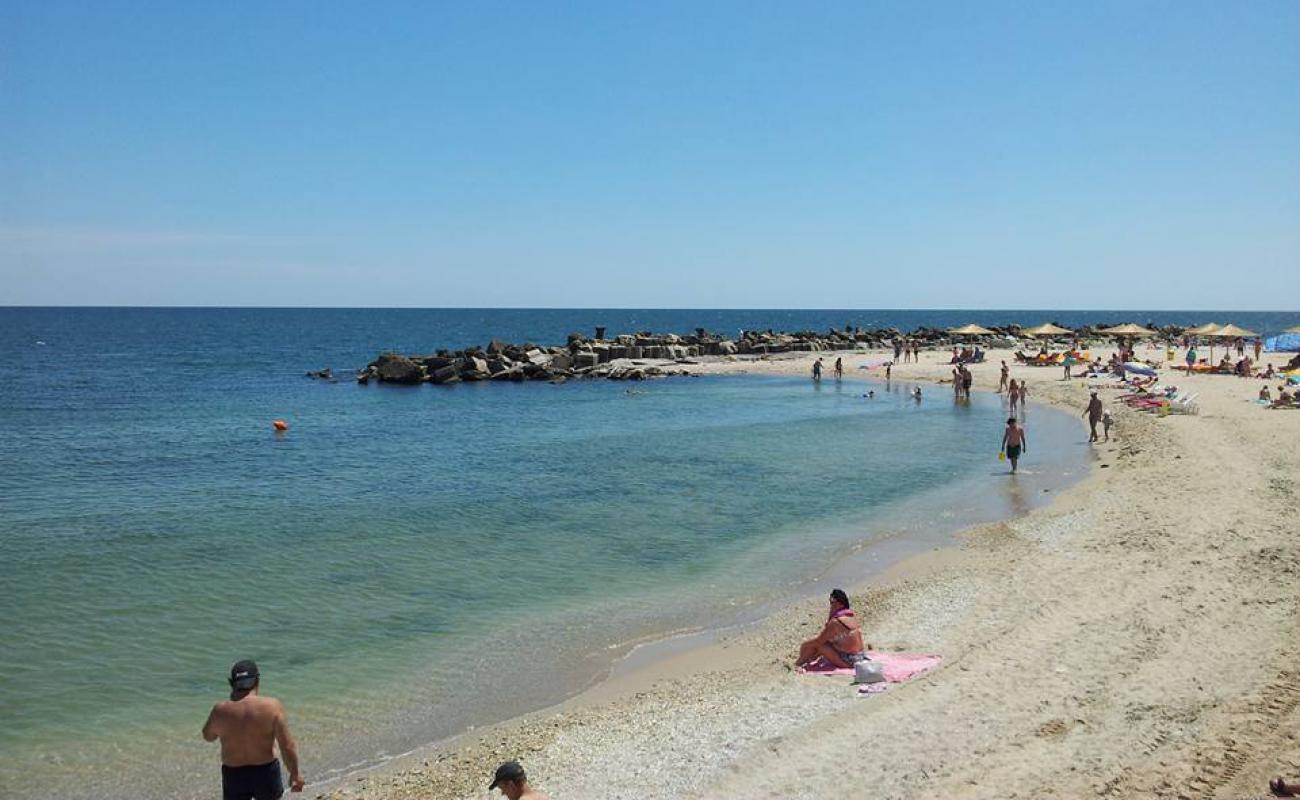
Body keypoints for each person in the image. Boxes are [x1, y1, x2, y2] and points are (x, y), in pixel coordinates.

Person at [203, 660, 304, 800]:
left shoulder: (220, 710)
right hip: (265, 771)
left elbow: (208, 736)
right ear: (257, 681)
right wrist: (295, 773)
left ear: (232, 684)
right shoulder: (272, 706)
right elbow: (287, 745)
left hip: (234, 775)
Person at [795, 589, 868, 669]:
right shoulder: (850, 616)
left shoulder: (835, 622)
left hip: (850, 661)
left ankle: (798, 663)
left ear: (840, 604)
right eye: (830, 600)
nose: (831, 604)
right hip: (860, 656)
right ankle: (808, 659)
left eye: (833, 601)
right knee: (826, 643)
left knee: (819, 645)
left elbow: (819, 641)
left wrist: (804, 645)